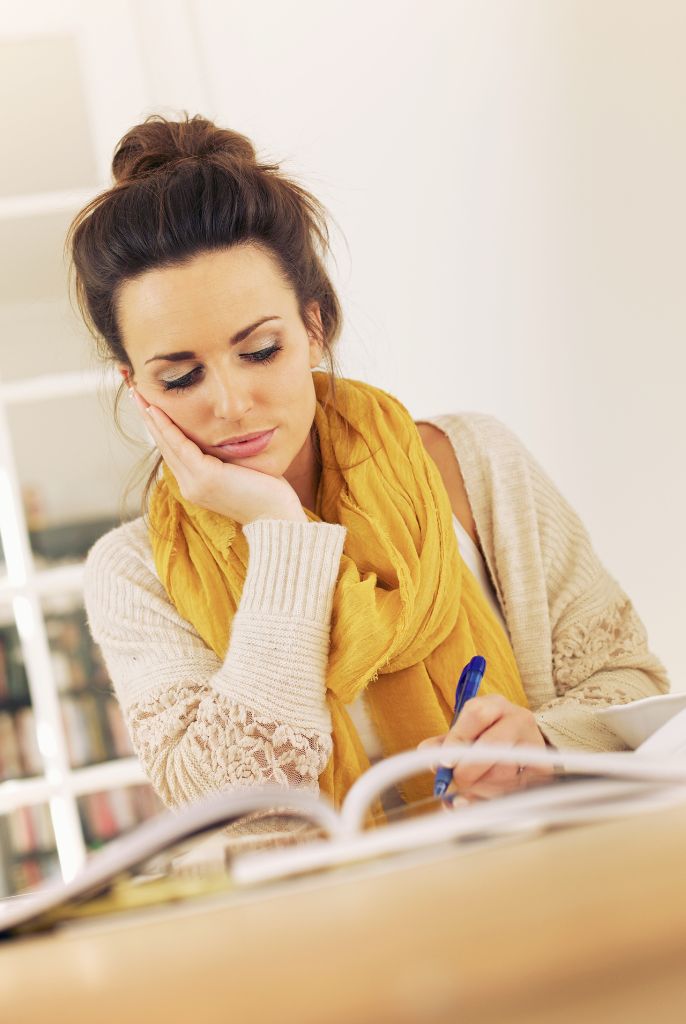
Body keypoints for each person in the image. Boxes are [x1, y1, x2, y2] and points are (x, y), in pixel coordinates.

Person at [71, 113, 669, 816]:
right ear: (135, 386)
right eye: (180, 378)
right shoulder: (136, 574)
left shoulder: (475, 466)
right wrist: (279, 531)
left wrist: (542, 743)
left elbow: (631, 686)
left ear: (315, 326)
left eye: (260, 351)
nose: (231, 403)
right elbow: (231, 804)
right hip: (330, 927)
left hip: (553, 899)